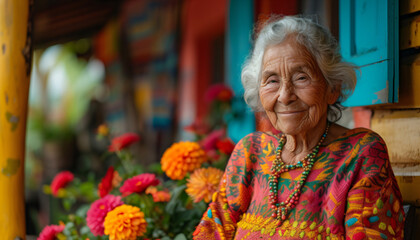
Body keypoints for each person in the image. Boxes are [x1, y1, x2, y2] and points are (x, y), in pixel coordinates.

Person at [193, 16, 404, 239]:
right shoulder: (251, 152)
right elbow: (211, 232)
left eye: (301, 77)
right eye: (272, 80)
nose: (285, 96)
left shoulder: (360, 154)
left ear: (332, 88)